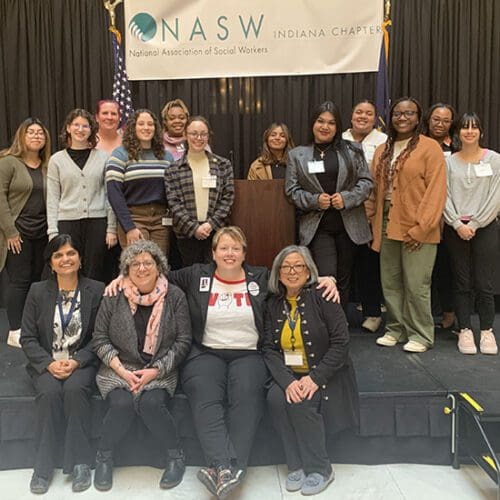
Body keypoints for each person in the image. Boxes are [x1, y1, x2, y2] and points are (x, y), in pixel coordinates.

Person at [92, 240, 192, 491]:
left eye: (148, 262)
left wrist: (156, 370)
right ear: (126, 269)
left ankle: (175, 455)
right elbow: (100, 338)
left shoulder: (175, 296)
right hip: (118, 367)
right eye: (134, 263)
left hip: (159, 367)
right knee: (121, 404)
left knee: (152, 403)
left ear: (159, 267)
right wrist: (122, 371)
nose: (142, 268)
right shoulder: (114, 295)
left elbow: (183, 341)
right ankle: (104, 456)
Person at [263, 245, 359, 496]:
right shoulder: (272, 304)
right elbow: (269, 349)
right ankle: (295, 464)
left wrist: (315, 378)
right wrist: (287, 382)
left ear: (309, 271)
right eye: (286, 266)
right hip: (290, 373)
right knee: (275, 398)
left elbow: (342, 343)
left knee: (302, 402)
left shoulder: (324, 296)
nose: (292, 272)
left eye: (299, 266)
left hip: (324, 373)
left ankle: (320, 468)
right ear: (278, 273)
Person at [20, 235, 104, 494]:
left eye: (70, 253)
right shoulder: (37, 291)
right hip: (47, 363)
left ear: (80, 259)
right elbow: (28, 337)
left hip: (82, 363)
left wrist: (78, 361)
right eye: (58, 255)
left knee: (74, 391)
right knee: (49, 393)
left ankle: (80, 462)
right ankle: (42, 468)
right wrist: (47, 364)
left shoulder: (97, 290)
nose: (65, 259)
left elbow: (101, 336)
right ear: (51, 263)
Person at [367, 97, 447, 353]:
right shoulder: (383, 149)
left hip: (418, 223)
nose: (403, 118)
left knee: (416, 284)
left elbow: (436, 191)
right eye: (398, 113)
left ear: (418, 117)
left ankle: (420, 334)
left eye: (409, 113)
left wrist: (422, 228)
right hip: (386, 222)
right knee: (390, 281)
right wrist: (372, 223)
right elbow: (373, 191)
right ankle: (395, 329)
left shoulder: (429, 147)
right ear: (391, 117)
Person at [286, 100, 373, 311]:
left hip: (349, 225)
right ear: (312, 124)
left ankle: (338, 326)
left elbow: (366, 182)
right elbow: (292, 191)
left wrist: (347, 198)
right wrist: (315, 201)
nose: (325, 127)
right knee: (327, 277)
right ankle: (328, 323)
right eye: (320, 121)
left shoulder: (353, 150)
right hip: (318, 226)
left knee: (344, 279)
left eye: (331, 123)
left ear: (338, 126)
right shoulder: (297, 154)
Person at [443, 112, 500, 355]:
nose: (469, 131)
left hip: (485, 227)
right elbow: (443, 195)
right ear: (458, 133)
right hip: (455, 227)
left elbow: (496, 196)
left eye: (474, 127)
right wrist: (457, 223)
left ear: (481, 132)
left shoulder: (495, 160)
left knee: (484, 283)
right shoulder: (448, 162)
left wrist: (476, 224)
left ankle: (486, 330)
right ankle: (464, 329)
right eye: (464, 127)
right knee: (461, 281)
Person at [47, 108, 117, 282]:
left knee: (95, 270)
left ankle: (93, 307)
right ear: (68, 128)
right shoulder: (56, 160)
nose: (80, 129)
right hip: (67, 222)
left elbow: (110, 195)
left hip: (97, 221)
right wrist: (52, 231)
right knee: (69, 269)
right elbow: (53, 198)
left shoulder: (103, 158)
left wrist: (111, 228)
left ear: (91, 130)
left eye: (85, 126)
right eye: (76, 125)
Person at [0, 118, 51, 348]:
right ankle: (15, 329)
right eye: (31, 132)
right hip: (17, 233)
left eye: (40, 132)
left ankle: (32, 327)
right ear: (22, 136)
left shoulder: (48, 164)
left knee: (38, 281)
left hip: (43, 231)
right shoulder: (9, 162)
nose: (36, 136)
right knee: (19, 281)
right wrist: (10, 231)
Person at [165, 115, 234, 266]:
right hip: (186, 234)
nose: (199, 138)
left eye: (203, 134)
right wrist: (194, 228)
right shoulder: (173, 169)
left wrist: (210, 225)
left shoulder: (223, 165)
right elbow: (173, 203)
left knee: (216, 276)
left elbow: (227, 199)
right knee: (192, 278)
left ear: (208, 136)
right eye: (194, 133)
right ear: (185, 135)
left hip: (215, 232)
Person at [342, 100, 387, 332]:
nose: (363, 116)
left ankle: (372, 312)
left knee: (368, 265)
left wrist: (373, 212)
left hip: (370, 211)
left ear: (375, 118)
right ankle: (338, 316)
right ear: (351, 116)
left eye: (368, 113)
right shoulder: (339, 139)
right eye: (358, 112)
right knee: (342, 266)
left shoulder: (383, 142)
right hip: (341, 211)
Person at [106, 109, 174, 255]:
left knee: (159, 267)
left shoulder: (167, 157)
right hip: (133, 218)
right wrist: (129, 227)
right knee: (138, 265)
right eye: (141, 124)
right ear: (133, 127)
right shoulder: (120, 155)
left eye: (150, 124)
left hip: (161, 221)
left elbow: (173, 191)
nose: (146, 127)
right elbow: (114, 194)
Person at [423, 103, 458, 330]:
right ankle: (421, 318)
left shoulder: (458, 147)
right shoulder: (419, 145)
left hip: (453, 216)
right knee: (425, 271)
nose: (440, 124)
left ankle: (449, 314)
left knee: (448, 268)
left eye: (445, 120)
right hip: (424, 214)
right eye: (436, 119)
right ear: (428, 120)